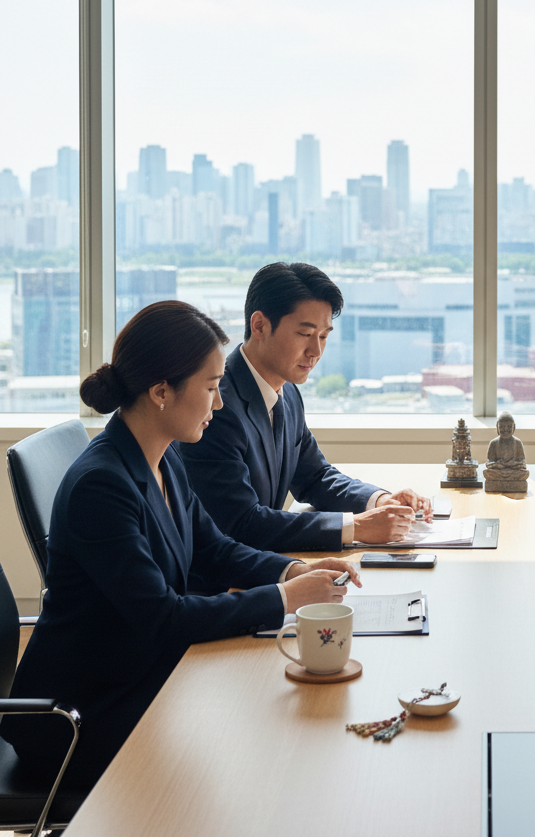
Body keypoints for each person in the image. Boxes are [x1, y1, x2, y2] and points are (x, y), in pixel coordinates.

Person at [0, 301, 360, 790]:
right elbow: (165, 620)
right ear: (161, 392)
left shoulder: (163, 458)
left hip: (137, 677)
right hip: (83, 715)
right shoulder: (100, 487)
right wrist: (284, 601)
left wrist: (290, 572)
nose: (219, 404)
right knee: (258, 747)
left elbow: (214, 549)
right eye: (211, 388)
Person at [178, 263, 431, 580]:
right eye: (305, 334)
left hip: (265, 566)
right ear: (259, 326)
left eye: (324, 336)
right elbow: (241, 523)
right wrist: (358, 527)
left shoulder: (287, 392)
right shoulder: (217, 406)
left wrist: (379, 501)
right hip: (222, 582)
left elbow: (314, 477)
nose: (316, 351)